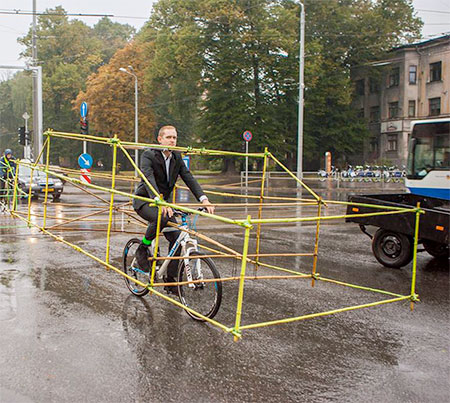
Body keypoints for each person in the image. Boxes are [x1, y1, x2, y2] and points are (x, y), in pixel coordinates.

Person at [133, 125, 214, 292]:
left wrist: (204, 199)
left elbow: (188, 178)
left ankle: (170, 280)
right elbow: (148, 178)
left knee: (177, 239)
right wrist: (159, 201)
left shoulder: (177, 156)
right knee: (160, 218)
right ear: (160, 139)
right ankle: (142, 248)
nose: (172, 140)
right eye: (169, 137)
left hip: (165, 204)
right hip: (145, 200)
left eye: (174, 138)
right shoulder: (149, 155)